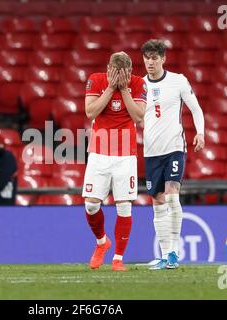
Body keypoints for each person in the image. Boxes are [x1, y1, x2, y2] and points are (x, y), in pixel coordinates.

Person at [141, 39, 205, 270]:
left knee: (171, 195)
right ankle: (165, 253)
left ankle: (174, 252)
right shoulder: (139, 86)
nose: (150, 62)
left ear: (163, 59)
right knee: (157, 201)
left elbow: (195, 108)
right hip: (151, 152)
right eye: (147, 58)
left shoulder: (178, 81)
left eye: (155, 58)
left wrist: (200, 133)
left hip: (174, 147)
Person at [83, 52, 147, 272]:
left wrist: (125, 90)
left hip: (125, 155)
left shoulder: (138, 83)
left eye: (124, 73)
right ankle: (102, 242)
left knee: (124, 205)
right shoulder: (96, 79)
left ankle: (118, 258)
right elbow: (90, 111)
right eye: (115, 71)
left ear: (130, 71)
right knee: (91, 204)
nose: (119, 76)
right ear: (108, 68)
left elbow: (139, 116)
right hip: (99, 151)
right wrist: (111, 88)